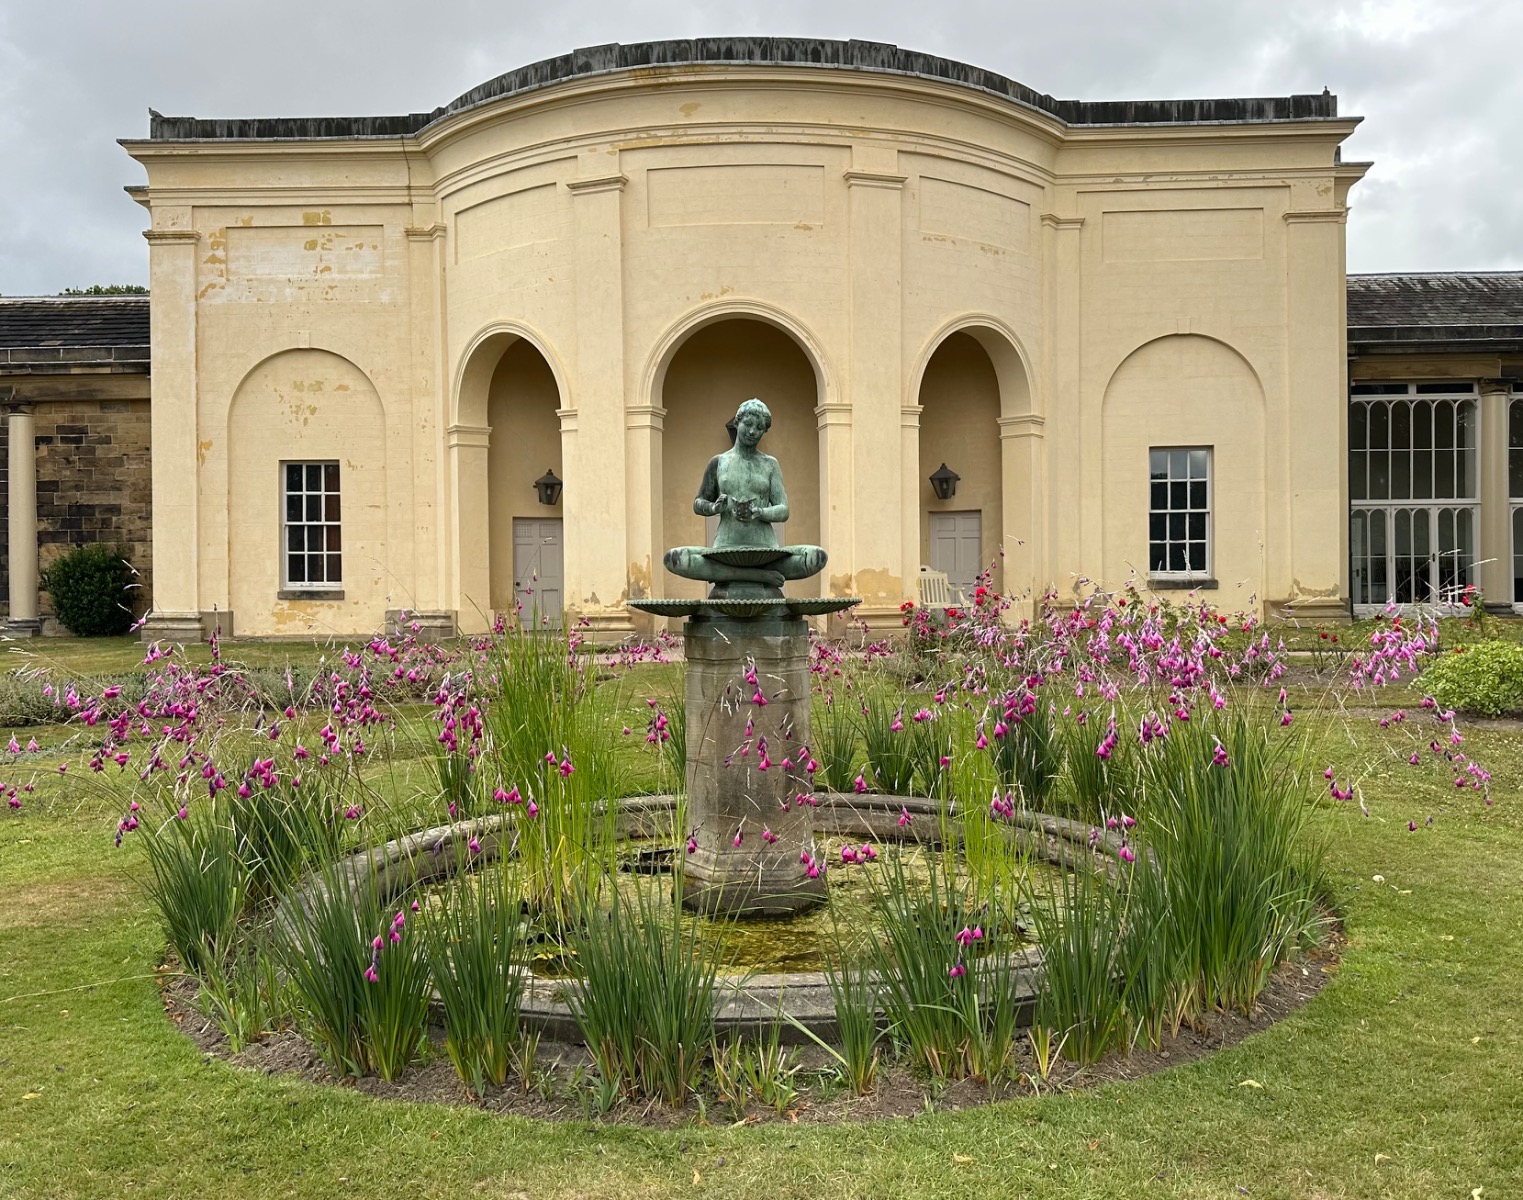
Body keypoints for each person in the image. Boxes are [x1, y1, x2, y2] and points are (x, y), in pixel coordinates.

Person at [663, 398, 826, 593]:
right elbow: (698, 503)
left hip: (765, 552)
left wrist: (760, 512)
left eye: (759, 427)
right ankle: (758, 576)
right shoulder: (718, 462)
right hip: (725, 549)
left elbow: (783, 510)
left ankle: (743, 574)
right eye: (748, 424)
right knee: (675, 558)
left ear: (764, 431)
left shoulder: (770, 464)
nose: (752, 431)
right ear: (737, 422)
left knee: (815, 556)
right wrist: (715, 508)